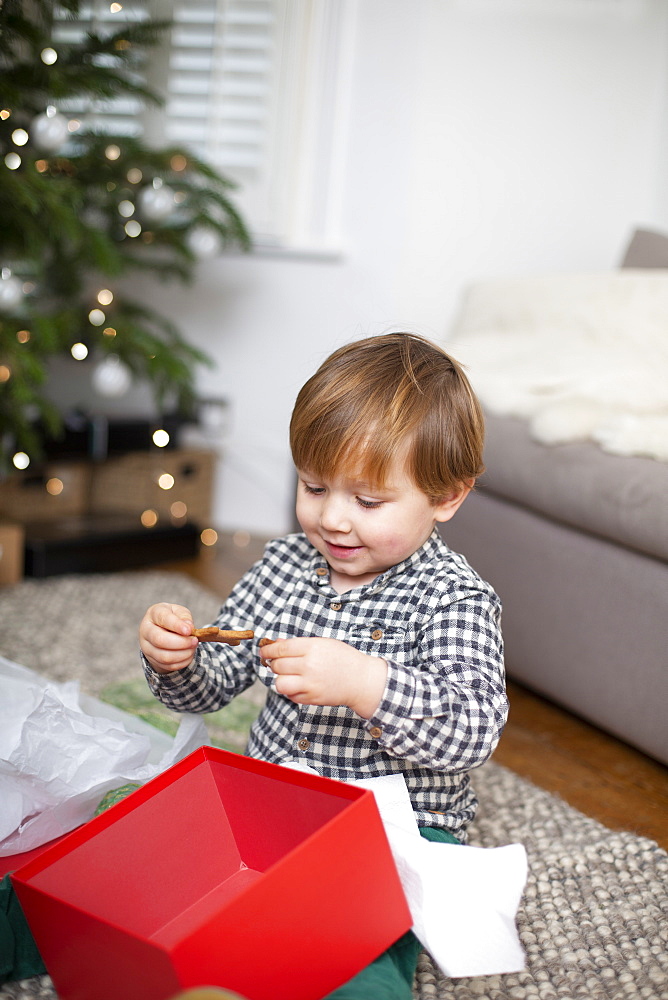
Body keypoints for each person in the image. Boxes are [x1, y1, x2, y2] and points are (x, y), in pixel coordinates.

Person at [139, 332, 508, 1000]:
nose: (332, 518)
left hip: (394, 829)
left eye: (368, 502)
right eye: (314, 486)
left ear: (447, 496)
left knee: (358, 946)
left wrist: (367, 684)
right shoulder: (283, 565)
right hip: (276, 799)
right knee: (159, 872)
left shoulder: (453, 597)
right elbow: (215, 683)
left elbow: (473, 729)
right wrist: (176, 659)